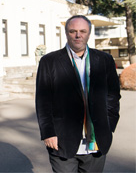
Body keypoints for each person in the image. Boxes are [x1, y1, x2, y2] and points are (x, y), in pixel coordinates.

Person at [35, 15, 121, 172]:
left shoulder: (105, 60)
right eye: (73, 31)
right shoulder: (49, 61)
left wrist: (109, 124)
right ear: (66, 33)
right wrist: (48, 132)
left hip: (97, 140)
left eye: (83, 31)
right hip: (62, 140)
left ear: (89, 33)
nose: (78, 35)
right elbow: (43, 101)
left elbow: (113, 96)